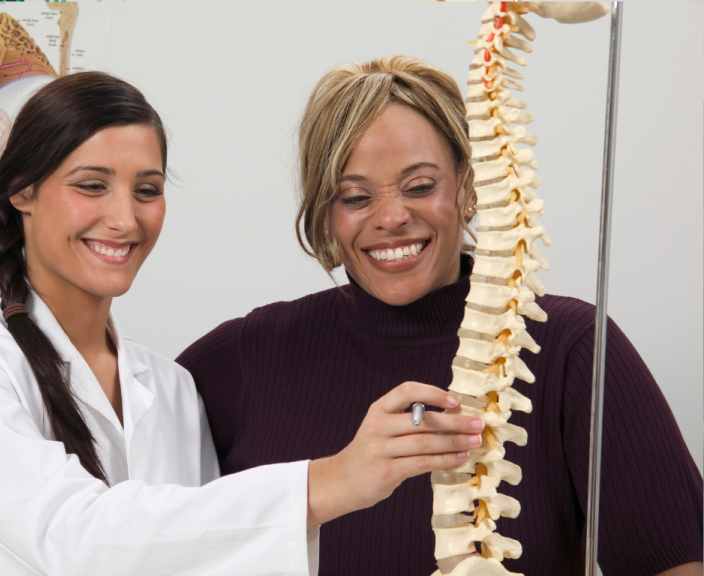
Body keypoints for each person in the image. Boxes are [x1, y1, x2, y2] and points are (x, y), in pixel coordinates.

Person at [0, 71, 483, 576]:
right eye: (91, 186)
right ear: (22, 191)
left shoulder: (171, 388)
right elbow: (75, 538)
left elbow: (208, 558)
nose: (123, 219)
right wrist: (331, 482)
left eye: (146, 190)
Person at [178, 56, 704, 576]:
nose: (391, 218)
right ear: (326, 212)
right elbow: (127, 531)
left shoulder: (572, 348)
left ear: (468, 186)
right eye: (356, 196)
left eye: (420, 186)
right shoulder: (246, 356)